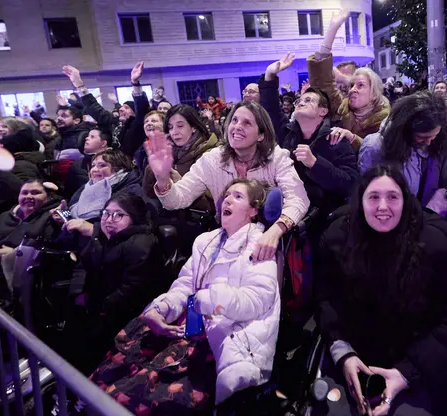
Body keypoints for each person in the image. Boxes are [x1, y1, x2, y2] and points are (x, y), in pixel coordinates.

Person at [77, 179, 280, 416]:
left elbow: (256, 301)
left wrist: (207, 300)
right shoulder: (206, 240)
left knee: (131, 400)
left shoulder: (260, 246)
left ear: (253, 210)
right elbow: (184, 285)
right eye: (226, 195)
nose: (226, 199)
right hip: (187, 326)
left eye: (237, 197)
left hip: (224, 338)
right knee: (110, 370)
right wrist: (162, 308)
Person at [310, 165, 447, 416]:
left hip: (417, 365)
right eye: (374, 197)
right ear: (361, 200)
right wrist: (344, 354)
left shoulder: (437, 245)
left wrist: (405, 374)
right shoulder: (338, 237)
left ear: (405, 200)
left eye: (393, 197)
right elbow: (327, 300)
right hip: (355, 362)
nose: (383, 206)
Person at [146, 101, 310, 262]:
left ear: (261, 135)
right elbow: (177, 200)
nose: (237, 126)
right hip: (225, 238)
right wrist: (162, 179)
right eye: (234, 120)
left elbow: (299, 199)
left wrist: (275, 231)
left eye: (247, 123)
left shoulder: (277, 158)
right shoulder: (212, 159)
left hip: (265, 239)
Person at [54, 193, 167, 376]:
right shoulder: (101, 236)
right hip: (95, 304)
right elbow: (83, 265)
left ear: (134, 217)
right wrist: (78, 293)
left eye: (118, 215)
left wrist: (100, 307)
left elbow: (132, 290)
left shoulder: (141, 244)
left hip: (122, 314)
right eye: (106, 213)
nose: (109, 220)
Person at [261, 53, 359, 216]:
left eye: (308, 100)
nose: (301, 103)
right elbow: (270, 110)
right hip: (289, 211)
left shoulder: (335, 138)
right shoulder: (287, 134)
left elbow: (352, 184)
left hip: (323, 217)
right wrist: (270, 75)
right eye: (299, 101)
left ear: (323, 111)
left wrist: (315, 163)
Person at [0, 179, 60, 299]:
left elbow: (48, 250)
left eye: (35, 193)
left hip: (27, 285)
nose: (29, 196)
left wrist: (15, 254)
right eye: (24, 193)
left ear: (48, 197)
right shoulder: (0, 219)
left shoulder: (52, 218)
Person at [307, 9, 390, 151]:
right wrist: (332, 30)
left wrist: (352, 138)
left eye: (360, 85)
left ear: (374, 93)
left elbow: (383, 152)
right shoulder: (341, 107)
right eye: (351, 85)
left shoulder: (386, 120)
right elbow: (321, 82)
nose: (352, 89)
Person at [359, 92, 447, 207]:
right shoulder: (375, 146)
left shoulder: (440, 143)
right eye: (422, 137)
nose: (428, 142)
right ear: (404, 129)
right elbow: (368, 193)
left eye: (434, 136)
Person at [141, 104, 219, 204]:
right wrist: (155, 172)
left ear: (193, 127)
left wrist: (181, 184)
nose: (174, 132)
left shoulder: (209, 154)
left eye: (180, 126)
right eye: (170, 127)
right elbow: (149, 194)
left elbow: (215, 202)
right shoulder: (168, 150)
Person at [63, 63, 145, 158]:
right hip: (114, 164)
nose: (121, 109)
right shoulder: (114, 122)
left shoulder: (138, 125)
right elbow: (93, 107)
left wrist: (135, 83)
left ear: (135, 112)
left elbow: (141, 107)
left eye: (127, 108)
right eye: (122, 106)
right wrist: (79, 84)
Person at [56, 149, 147, 228]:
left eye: (102, 165)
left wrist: (93, 229)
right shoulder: (86, 187)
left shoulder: (131, 191)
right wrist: (65, 215)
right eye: (93, 165)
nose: (94, 170)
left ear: (119, 169)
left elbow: (129, 226)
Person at [63, 127, 112, 199]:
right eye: (88, 136)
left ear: (103, 143)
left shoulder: (115, 161)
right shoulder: (77, 164)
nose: (86, 138)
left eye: (92, 137)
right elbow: (69, 193)